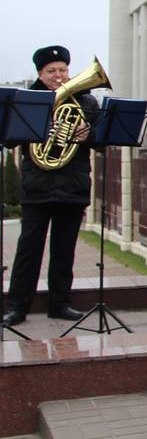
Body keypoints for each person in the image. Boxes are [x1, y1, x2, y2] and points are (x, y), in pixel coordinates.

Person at [2, 46, 97, 327]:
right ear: (40, 74)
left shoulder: (86, 101)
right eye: (51, 71)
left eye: (63, 70)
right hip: (37, 185)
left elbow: (101, 142)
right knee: (29, 248)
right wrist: (43, 125)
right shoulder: (27, 101)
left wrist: (88, 134)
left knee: (64, 249)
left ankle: (60, 304)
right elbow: (9, 141)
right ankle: (17, 306)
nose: (59, 76)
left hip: (73, 183)